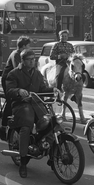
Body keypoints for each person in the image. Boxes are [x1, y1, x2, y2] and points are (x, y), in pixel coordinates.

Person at [6, 49, 57, 178]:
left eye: (33, 59)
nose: (32, 61)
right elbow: (9, 90)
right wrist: (18, 91)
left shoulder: (37, 74)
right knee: (26, 126)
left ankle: (53, 156)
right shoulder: (14, 73)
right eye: (29, 59)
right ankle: (23, 162)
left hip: (36, 103)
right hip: (21, 104)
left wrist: (53, 90)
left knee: (51, 124)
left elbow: (43, 89)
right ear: (22, 61)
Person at [0, 35, 31, 141]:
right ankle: (3, 128)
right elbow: (19, 69)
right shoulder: (16, 54)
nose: (29, 48)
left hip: (17, 79)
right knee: (10, 101)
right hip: (8, 79)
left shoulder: (22, 54)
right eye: (28, 46)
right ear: (24, 46)